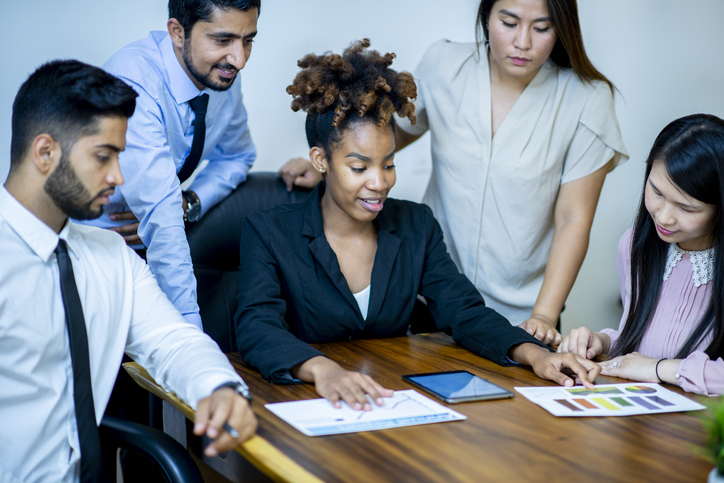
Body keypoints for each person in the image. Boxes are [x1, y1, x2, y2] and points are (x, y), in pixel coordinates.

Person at [235, 40, 600, 412]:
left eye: (388, 164)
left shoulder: (415, 225)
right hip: (306, 400)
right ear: (320, 160)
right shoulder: (268, 232)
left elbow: (464, 311)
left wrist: (535, 355)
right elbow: (256, 326)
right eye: (360, 168)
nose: (379, 182)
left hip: (388, 401)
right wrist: (321, 369)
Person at [279, 0, 628, 346]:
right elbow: (388, 136)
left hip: (524, 313)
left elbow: (573, 219)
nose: (523, 42)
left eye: (541, 28)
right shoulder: (444, 65)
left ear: (562, 28)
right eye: (508, 22)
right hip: (434, 299)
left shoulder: (587, 99)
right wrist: (331, 167)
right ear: (486, 16)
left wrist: (544, 315)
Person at [0, 60, 257, 483]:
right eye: (104, 157)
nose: (118, 178)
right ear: (45, 152)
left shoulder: (111, 256)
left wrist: (219, 388)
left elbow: (173, 341)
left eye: (120, 156)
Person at [78, 0, 260, 329]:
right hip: (91, 252)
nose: (240, 59)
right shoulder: (133, 82)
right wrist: (192, 337)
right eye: (223, 40)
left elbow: (238, 155)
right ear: (178, 32)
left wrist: (190, 202)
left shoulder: (222, 74)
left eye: (248, 40)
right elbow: (161, 216)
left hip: (155, 249)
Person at [558, 114, 724, 396]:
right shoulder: (636, 246)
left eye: (687, 208)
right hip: (640, 424)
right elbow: (640, 337)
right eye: (656, 192)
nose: (664, 217)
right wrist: (602, 342)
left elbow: (652, 361)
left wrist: (659, 368)